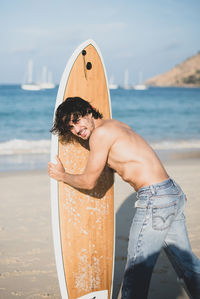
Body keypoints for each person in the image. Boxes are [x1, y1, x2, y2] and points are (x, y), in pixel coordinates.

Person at [48, 97, 200, 299]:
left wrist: (62, 175)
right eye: (70, 127)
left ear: (89, 111)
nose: (76, 129)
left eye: (77, 120)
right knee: (187, 266)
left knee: (136, 274)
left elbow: (89, 181)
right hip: (172, 193)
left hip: (154, 199)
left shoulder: (100, 135)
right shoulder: (115, 125)